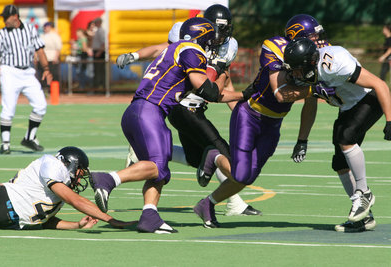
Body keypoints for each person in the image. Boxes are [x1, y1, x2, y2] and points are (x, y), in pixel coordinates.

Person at [89, 17, 249, 234]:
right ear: (202, 38)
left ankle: (149, 216)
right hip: (150, 111)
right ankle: (108, 179)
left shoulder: (175, 49)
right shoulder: (192, 50)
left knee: (160, 172)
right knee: (156, 166)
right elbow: (209, 92)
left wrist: (244, 94)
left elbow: (207, 92)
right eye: (210, 41)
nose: (212, 46)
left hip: (142, 111)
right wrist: (220, 71)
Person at [117, 4, 261, 217]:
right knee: (222, 152)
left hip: (197, 106)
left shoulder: (229, 47)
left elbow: (222, 85)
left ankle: (141, 155)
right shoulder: (187, 32)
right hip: (180, 103)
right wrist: (135, 56)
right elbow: (162, 50)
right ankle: (233, 202)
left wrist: (240, 113)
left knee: (197, 158)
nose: (220, 35)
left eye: (224, 29)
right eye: (216, 28)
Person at [192, 14, 325, 228]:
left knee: (248, 177)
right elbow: (281, 94)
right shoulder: (274, 47)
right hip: (250, 116)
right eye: (313, 36)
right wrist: (313, 89)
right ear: (297, 36)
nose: (319, 41)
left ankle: (206, 204)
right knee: (241, 174)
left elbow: (311, 101)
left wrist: (303, 139)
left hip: (274, 123)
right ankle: (214, 157)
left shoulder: (315, 54)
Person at [283, 38, 391, 232]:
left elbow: (379, 84)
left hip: (367, 98)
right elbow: (309, 104)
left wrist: (390, 120)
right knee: (339, 164)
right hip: (347, 107)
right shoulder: (304, 74)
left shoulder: (334, 63)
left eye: (297, 69)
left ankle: (364, 192)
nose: (295, 74)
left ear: (309, 62)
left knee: (345, 137)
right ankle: (363, 218)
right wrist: (302, 140)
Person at [0, 146, 134, 230]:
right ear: (71, 164)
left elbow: (44, 220)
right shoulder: (53, 164)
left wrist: (77, 224)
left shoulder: (57, 193)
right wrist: (111, 220)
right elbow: (75, 201)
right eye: (80, 172)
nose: (79, 180)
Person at [0, 5, 52, 154]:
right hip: (9, 71)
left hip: (28, 72)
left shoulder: (30, 30)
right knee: (8, 107)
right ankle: (5, 143)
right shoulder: (1, 34)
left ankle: (29, 137)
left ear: (15, 17)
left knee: (41, 105)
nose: (4, 21)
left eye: (6, 17)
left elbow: (40, 50)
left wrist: (46, 69)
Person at [91, 17, 105, 89]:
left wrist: (99, 52)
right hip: (97, 52)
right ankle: (98, 87)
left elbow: (103, 43)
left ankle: (100, 87)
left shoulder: (100, 31)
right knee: (97, 71)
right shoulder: (97, 30)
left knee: (99, 71)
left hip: (99, 52)